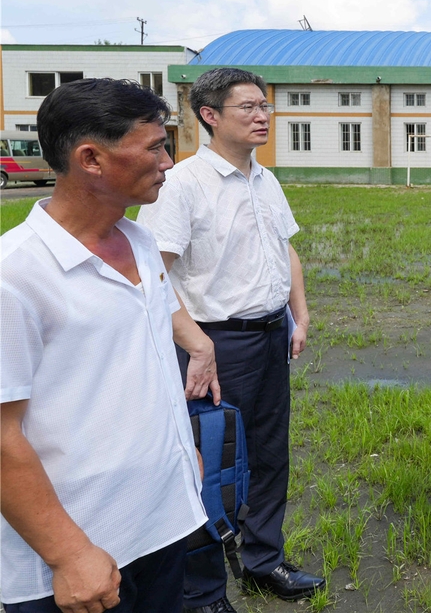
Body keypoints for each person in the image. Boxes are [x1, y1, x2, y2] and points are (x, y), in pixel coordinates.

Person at [1, 79, 207, 612]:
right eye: (155, 147)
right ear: (90, 158)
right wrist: (69, 555)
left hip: (158, 526)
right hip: (77, 559)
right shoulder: (14, 274)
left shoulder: (138, 241)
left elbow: (147, 369)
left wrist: (182, 455)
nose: (168, 162)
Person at [137, 68, 324, 612]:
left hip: (269, 337)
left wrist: (300, 314)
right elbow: (154, 273)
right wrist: (196, 343)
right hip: (214, 345)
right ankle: (202, 592)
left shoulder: (263, 178)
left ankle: (263, 561)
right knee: (209, 466)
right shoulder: (183, 184)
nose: (262, 115)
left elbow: (286, 249)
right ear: (210, 116)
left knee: (268, 456)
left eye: (264, 106)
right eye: (248, 107)